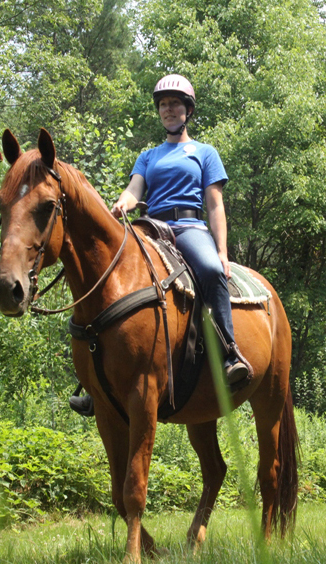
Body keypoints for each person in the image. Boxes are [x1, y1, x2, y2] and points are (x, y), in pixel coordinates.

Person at [70, 74, 251, 416]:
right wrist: (123, 202)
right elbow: (135, 189)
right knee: (109, 277)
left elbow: (215, 205)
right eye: (164, 105)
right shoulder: (148, 156)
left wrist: (223, 251)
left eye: (175, 104)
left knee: (211, 270)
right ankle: (95, 382)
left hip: (188, 227)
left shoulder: (204, 153)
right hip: (150, 226)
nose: (168, 110)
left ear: (188, 111)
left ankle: (229, 354)